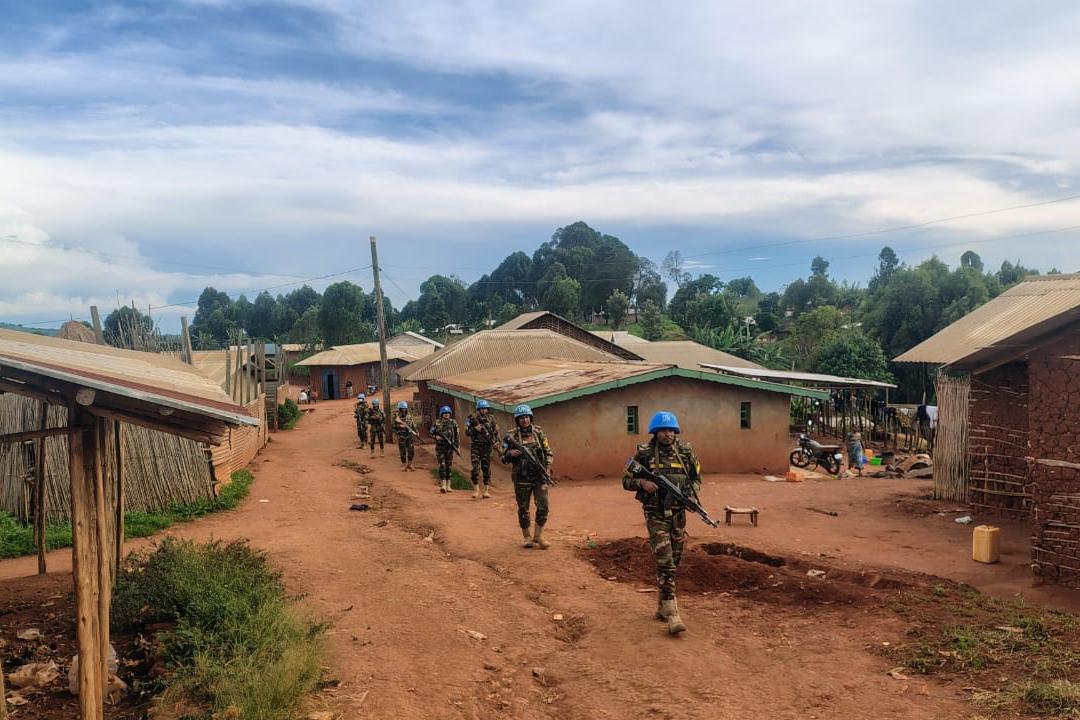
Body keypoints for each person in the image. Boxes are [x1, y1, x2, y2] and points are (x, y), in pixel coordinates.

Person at [622, 411, 700, 635]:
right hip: (655, 513)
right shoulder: (644, 454)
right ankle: (673, 614)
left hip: (678, 514)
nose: (667, 434)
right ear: (654, 433)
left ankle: (661, 606)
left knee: (675, 560)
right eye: (663, 431)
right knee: (665, 562)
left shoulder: (685, 452)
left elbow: (696, 478)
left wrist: (693, 496)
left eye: (671, 431)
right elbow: (625, 480)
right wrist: (642, 482)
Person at [501, 404, 553, 549]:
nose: (524, 420)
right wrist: (509, 454)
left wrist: (547, 468)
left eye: (526, 417)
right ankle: (527, 537)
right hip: (521, 478)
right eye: (521, 418)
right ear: (517, 420)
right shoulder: (511, 436)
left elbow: (548, 452)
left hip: (539, 476)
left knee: (543, 505)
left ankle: (539, 536)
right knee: (523, 508)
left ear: (530, 418)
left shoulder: (539, 433)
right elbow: (502, 457)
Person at [466, 399, 499, 499]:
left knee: (486, 469)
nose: (483, 411)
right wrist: (474, 429)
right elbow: (467, 432)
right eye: (481, 409)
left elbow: (496, 431)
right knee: (475, 468)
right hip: (476, 446)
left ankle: (486, 491)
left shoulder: (491, 418)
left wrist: (497, 441)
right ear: (478, 409)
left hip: (487, 447)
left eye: (485, 409)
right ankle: (476, 490)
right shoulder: (472, 419)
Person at [430, 406, 459, 493]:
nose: (446, 415)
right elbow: (431, 432)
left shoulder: (453, 422)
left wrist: (457, 446)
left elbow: (457, 435)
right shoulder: (437, 423)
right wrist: (436, 437)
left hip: (450, 447)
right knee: (442, 465)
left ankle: (448, 485)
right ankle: (443, 485)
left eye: (448, 413)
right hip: (440, 448)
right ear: (442, 414)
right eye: (445, 413)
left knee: (449, 466)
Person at [393, 400, 418, 472]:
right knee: (402, 450)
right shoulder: (396, 417)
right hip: (401, 436)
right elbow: (394, 426)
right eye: (402, 409)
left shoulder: (409, 417)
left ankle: (410, 464)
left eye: (405, 409)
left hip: (409, 435)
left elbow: (413, 425)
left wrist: (416, 431)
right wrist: (400, 425)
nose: (403, 410)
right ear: (399, 409)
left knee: (411, 450)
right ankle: (403, 464)